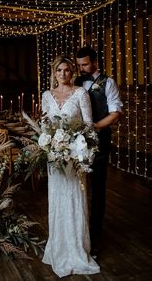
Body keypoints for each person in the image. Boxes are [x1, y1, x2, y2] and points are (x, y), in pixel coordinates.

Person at [41, 55, 100, 277]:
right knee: (57, 200)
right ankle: (58, 247)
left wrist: (80, 151)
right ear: (54, 73)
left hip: (75, 157)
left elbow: (88, 126)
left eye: (67, 70)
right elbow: (45, 124)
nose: (63, 74)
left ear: (71, 72)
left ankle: (76, 249)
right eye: (59, 70)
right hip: (55, 158)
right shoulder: (47, 95)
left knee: (75, 199)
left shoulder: (80, 94)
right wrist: (51, 145)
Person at [75, 46, 123, 256]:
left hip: (99, 141)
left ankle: (94, 233)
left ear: (94, 62)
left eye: (85, 64)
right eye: (79, 65)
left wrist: (93, 128)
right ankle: (77, 229)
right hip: (74, 142)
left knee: (97, 188)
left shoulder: (108, 82)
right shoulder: (75, 82)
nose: (81, 68)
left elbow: (116, 114)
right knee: (77, 185)